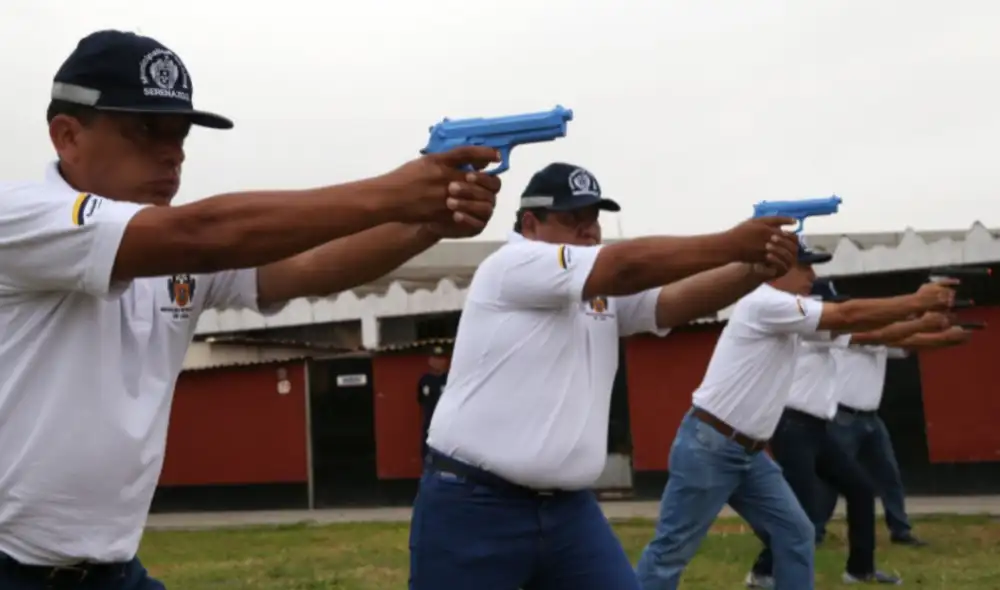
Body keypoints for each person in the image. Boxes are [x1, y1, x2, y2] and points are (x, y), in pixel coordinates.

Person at [0, 30, 502, 590]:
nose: (173, 152)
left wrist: (427, 226)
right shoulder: (21, 217)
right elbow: (203, 233)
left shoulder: (175, 248)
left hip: (110, 569)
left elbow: (308, 268)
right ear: (67, 136)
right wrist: (392, 193)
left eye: (180, 133)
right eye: (144, 129)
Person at [408, 161, 802, 590]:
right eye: (572, 218)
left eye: (593, 218)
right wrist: (731, 245)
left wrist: (752, 271)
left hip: (567, 510)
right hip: (475, 502)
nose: (589, 230)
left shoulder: (595, 286)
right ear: (530, 224)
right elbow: (624, 266)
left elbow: (669, 304)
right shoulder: (512, 264)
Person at [634, 237, 957, 590]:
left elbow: (862, 332)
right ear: (776, 268)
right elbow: (847, 315)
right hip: (712, 448)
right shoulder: (763, 302)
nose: (812, 276)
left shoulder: (788, 316)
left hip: (747, 452)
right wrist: (916, 301)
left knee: (796, 533)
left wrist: (922, 320)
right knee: (672, 550)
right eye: (804, 266)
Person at [744, 281, 955, 588]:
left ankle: (860, 569)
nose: (836, 312)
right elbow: (873, 334)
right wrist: (920, 317)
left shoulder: (826, 335)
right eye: (831, 306)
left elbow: (879, 335)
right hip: (792, 426)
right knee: (801, 505)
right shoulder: (807, 330)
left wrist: (929, 327)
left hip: (816, 427)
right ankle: (763, 571)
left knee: (860, 490)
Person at [814, 287, 975, 548]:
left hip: (871, 418)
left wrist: (945, 337)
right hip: (843, 417)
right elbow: (888, 335)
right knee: (833, 480)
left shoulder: (880, 339)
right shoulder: (848, 335)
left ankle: (900, 530)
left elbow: (910, 342)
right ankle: (814, 532)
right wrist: (925, 323)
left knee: (889, 477)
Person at [417, 345, 450, 460]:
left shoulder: (449, 379)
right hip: (430, 423)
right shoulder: (425, 380)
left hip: (446, 423)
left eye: (441, 359)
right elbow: (421, 400)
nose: (437, 362)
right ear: (430, 361)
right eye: (435, 359)